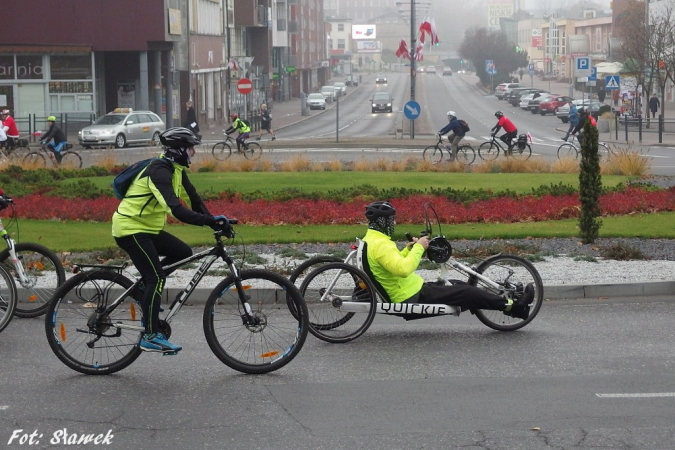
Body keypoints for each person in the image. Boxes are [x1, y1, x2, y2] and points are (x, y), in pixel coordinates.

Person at [112, 127, 227, 354]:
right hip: (130, 229)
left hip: (148, 228)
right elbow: (177, 210)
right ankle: (150, 335)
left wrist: (215, 222)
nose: (193, 152)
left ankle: (145, 289)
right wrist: (208, 220)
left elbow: (194, 199)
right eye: (191, 148)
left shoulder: (176, 169)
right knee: (157, 277)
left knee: (183, 252)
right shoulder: (159, 172)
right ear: (179, 150)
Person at [361, 201, 534, 320]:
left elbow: (393, 264)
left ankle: (502, 306)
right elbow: (403, 269)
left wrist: (409, 250)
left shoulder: (374, 240)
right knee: (467, 293)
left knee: (458, 284)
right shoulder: (382, 245)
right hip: (410, 297)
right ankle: (515, 307)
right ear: (383, 222)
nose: (395, 223)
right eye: (392, 220)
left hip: (412, 291)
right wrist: (420, 247)